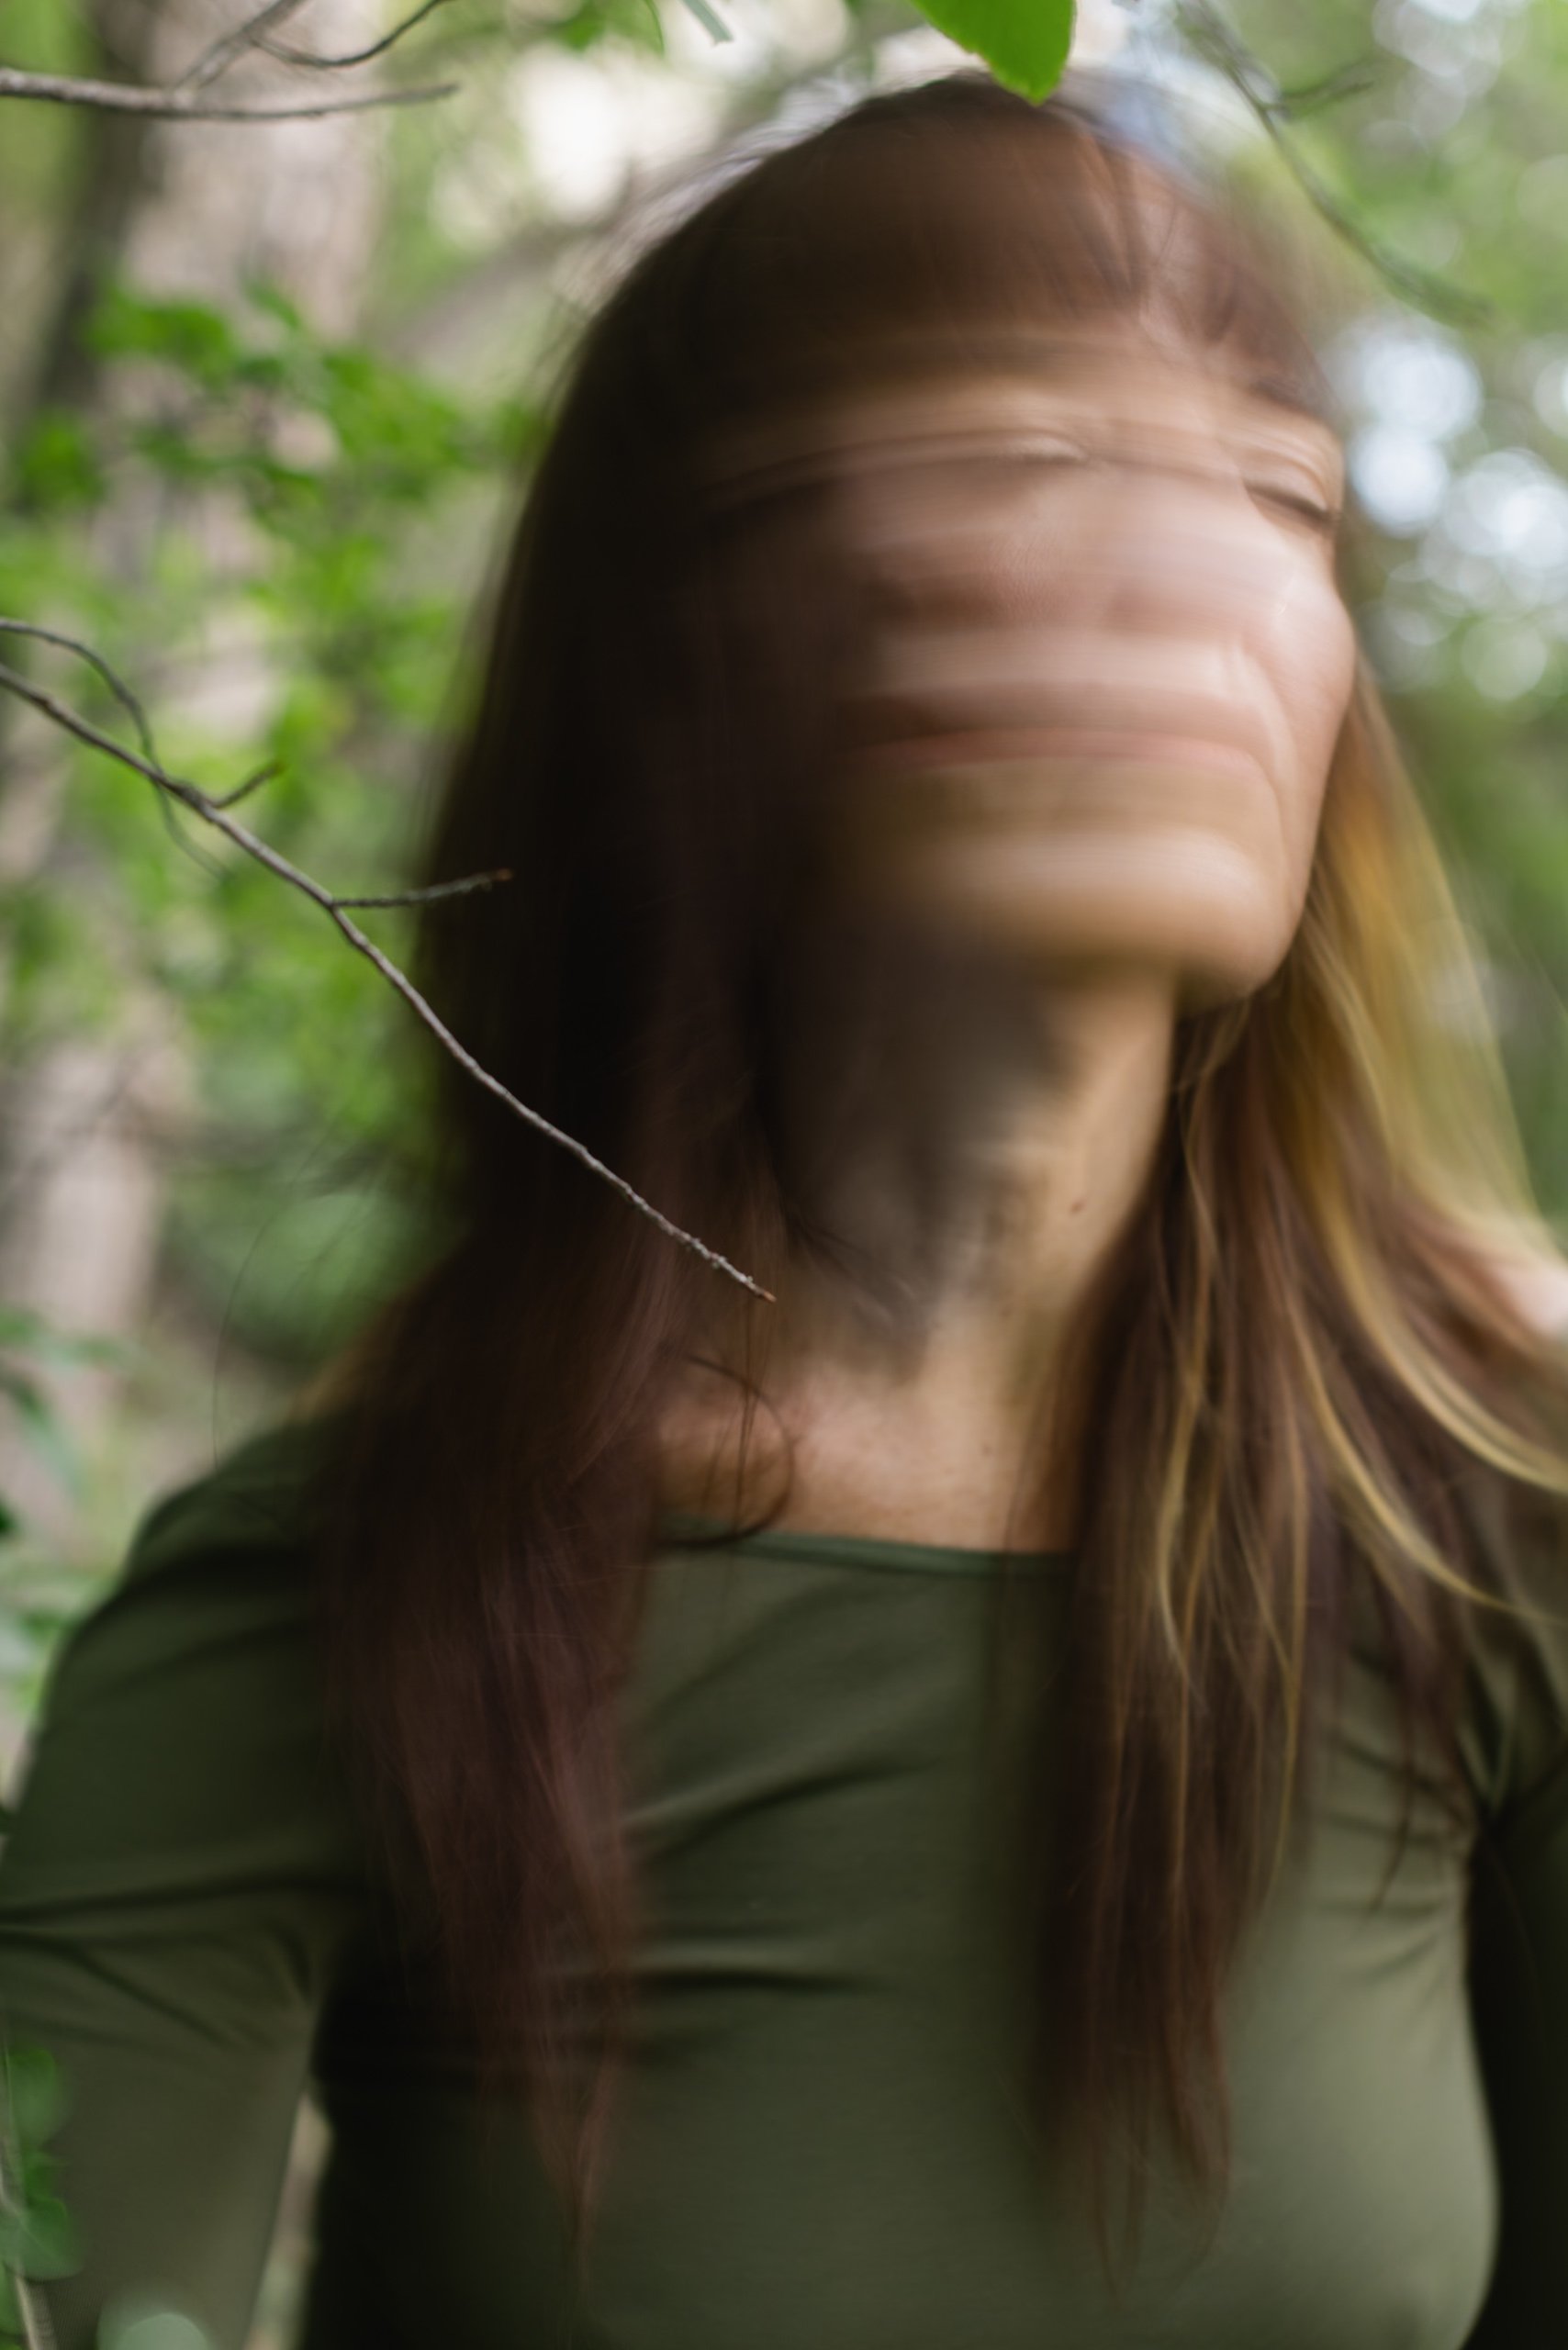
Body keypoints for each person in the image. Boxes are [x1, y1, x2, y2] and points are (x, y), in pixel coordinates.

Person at [3, 68, 1568, 2350]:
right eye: (1019, 452)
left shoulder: (1495, 1521)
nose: (1186, 570)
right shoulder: (349, 1592)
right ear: (687, 634)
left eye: (1272, 493)